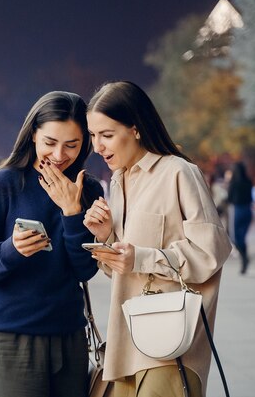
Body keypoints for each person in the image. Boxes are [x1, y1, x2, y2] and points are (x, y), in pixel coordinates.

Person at [83, 81, 231, 397]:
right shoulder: (119, 180)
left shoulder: (179, 172)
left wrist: (141, 257)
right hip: (126, 339)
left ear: (135, 129)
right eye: (94, 136)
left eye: (106, 135)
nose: (98, 146)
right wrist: (106, 236)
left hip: (171, 340)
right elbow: (122, 269)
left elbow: (211, 252)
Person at [0, 91, 104, 397]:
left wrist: (72, 212)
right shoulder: (1, 185)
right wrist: (12, 250)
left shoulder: (88, 189)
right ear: (33, 135)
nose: (59, 155)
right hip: (13, 336)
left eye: (72, 144)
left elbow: (85, 270)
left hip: (70, 333)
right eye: (50, 143)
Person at [227, 162, 254, 275]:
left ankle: (244, 258)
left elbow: (229, 198)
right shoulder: (249, 182)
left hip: (237, 210)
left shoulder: (233, 183)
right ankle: (244, 259)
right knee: (242, 237)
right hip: (248, 210)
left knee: (234, 237)